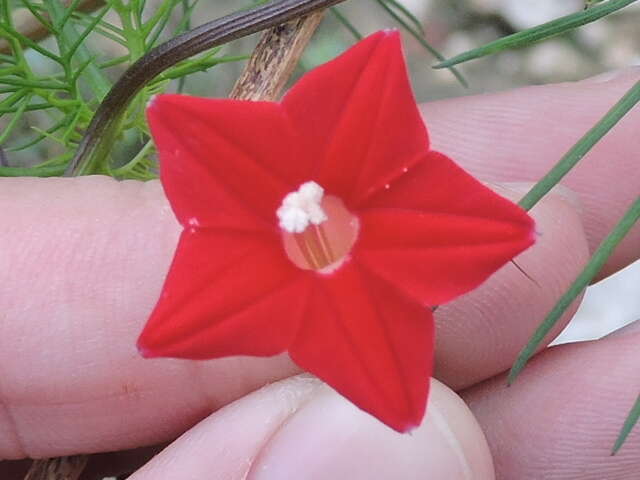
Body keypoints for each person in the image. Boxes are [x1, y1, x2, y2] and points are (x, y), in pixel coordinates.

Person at [0, 68, 638, 479]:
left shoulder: (379, 212)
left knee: (521, 227)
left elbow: (373, 84)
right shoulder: (240, 261)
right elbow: (186, 129)